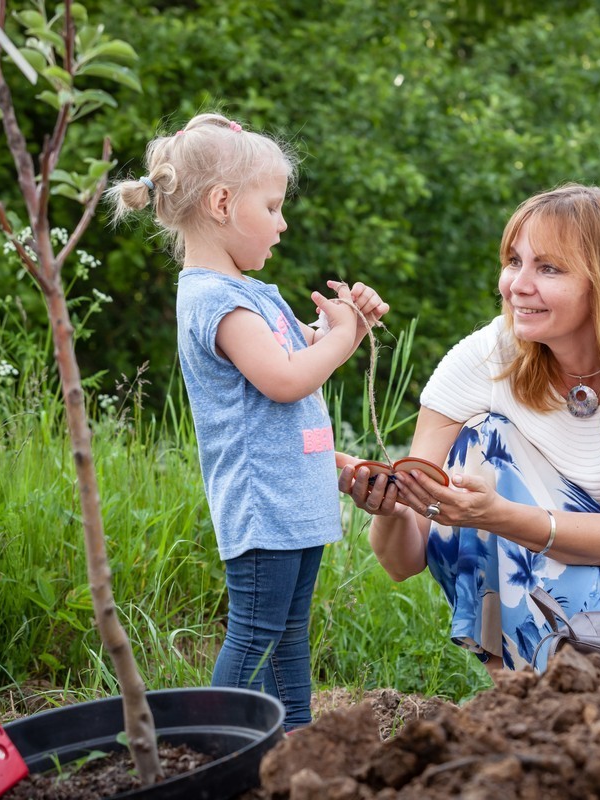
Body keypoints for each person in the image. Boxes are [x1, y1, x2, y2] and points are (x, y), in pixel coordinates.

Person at [339, 183, 600, 673]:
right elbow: (405, 562)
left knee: (497, 477)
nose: (517, 285)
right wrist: (393, 508)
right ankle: (532, 699)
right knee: (481, 442)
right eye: (513, 261)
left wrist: (494, 515)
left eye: (548, 268)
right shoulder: (481, 358)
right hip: (549, 565)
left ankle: (562, 691)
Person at [108, 113, 388, 729]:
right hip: (265, 507)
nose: (283, 222)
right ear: (224, 203)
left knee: (287, 634)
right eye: (274, 205)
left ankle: (293, 741)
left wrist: (347, 325)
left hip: (293, 498)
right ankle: (207, 745)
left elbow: (296, 353)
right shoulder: (218, 300)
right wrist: (340, 341)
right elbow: (286, 380)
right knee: (257, 633)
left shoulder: (249, 292)